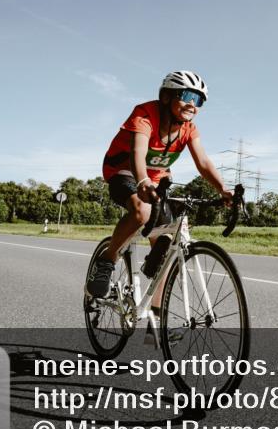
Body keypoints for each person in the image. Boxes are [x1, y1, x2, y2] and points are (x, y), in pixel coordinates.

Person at [85, 70, 232, 299]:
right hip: (124, 170)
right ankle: (107, 260)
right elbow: (138, 152)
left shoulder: (188, 129)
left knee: (166, 246)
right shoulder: (145, 114)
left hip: (155, 179)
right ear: (166, 96)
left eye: (198, 100)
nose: (192, 104)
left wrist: (222, 189)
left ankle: (155, 322)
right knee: (142, 211)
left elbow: (202, 161)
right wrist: (142, 180)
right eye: (186, 96)